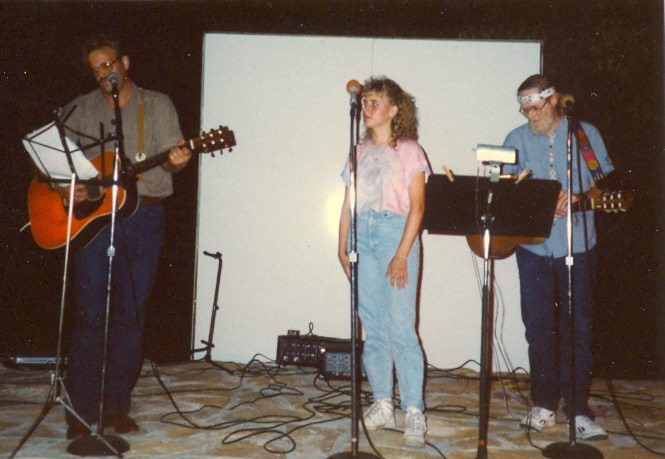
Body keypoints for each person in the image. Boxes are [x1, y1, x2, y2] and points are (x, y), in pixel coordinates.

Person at [51, 33, 192, 439]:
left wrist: (180, 160)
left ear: (125, 63)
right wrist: (65, 186)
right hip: (92, 223)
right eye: (96, 68)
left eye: (108, 64)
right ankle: (79, 411)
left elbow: (172, 164)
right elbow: (52, 157)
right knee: (90, 313)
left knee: (130, 315)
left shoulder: (158, 105)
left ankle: (115, 407)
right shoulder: (80, 108)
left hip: (143, 219)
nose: (103, 73)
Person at [502, 74, 613, 441]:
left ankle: (578, 410)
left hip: (577, 246)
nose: (529, 115)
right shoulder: (515, 140)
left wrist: (577, 198)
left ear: (552, 102)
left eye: (535, 108)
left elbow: (605, 186)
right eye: (525, 108)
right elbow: (505, 191)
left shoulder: (584, 135)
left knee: (577, 329)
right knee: (537, 326)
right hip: (533, 247)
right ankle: (544, 404)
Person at [338, 76, 431, 447]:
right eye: (366, 102)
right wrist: (341, 246)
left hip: (396, 235)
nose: (367, 108)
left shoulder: (409, 150)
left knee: (401, 325)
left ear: (394, 110)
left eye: (375, 102)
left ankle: (414, 411)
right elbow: (348, 203)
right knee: (372, 326)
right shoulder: (357, 152)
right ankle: (382, 402)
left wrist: (402, 254)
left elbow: (418, 207)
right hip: (363, 232)